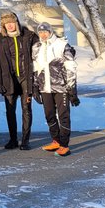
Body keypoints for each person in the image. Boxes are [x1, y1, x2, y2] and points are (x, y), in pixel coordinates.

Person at [0, 12, 38, 150]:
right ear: (3, 25)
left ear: (16, 22)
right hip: (8, 79)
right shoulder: (0, 39)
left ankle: (25, 140)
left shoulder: (28, 36)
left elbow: (43, 47)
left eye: (12, 22)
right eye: (7, 23)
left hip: (25, 78)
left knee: (26, 109)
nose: (10, 25)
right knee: (10, 110)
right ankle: (12, 139)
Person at [32, 22, 79, 157]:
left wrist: (71, 88)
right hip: (45, 87)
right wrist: (35, 86)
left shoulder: (62, 45)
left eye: (45, 31)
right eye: (40, 32)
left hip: (61, 87)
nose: (43, 34)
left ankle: (64, 145)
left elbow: (71, 66)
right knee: (49, 115)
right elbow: (36, 68)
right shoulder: (36, 47)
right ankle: (56, 141)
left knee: (63, 115)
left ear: (50, 31)